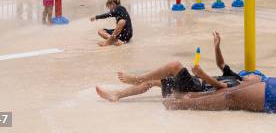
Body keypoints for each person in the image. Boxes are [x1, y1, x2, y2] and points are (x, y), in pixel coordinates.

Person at [95, 31, 256, 102]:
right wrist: (216, 47)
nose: (252, 75)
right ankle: (116, 95)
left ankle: (137, 78)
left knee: (174, 65)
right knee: (153, 81)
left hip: (198, 89)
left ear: (254, 83)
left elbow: (221, 87)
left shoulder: (238, 85)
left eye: (255, 76)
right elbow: (221, 64)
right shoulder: (237, 76)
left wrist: (202, 74)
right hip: (196, 82)